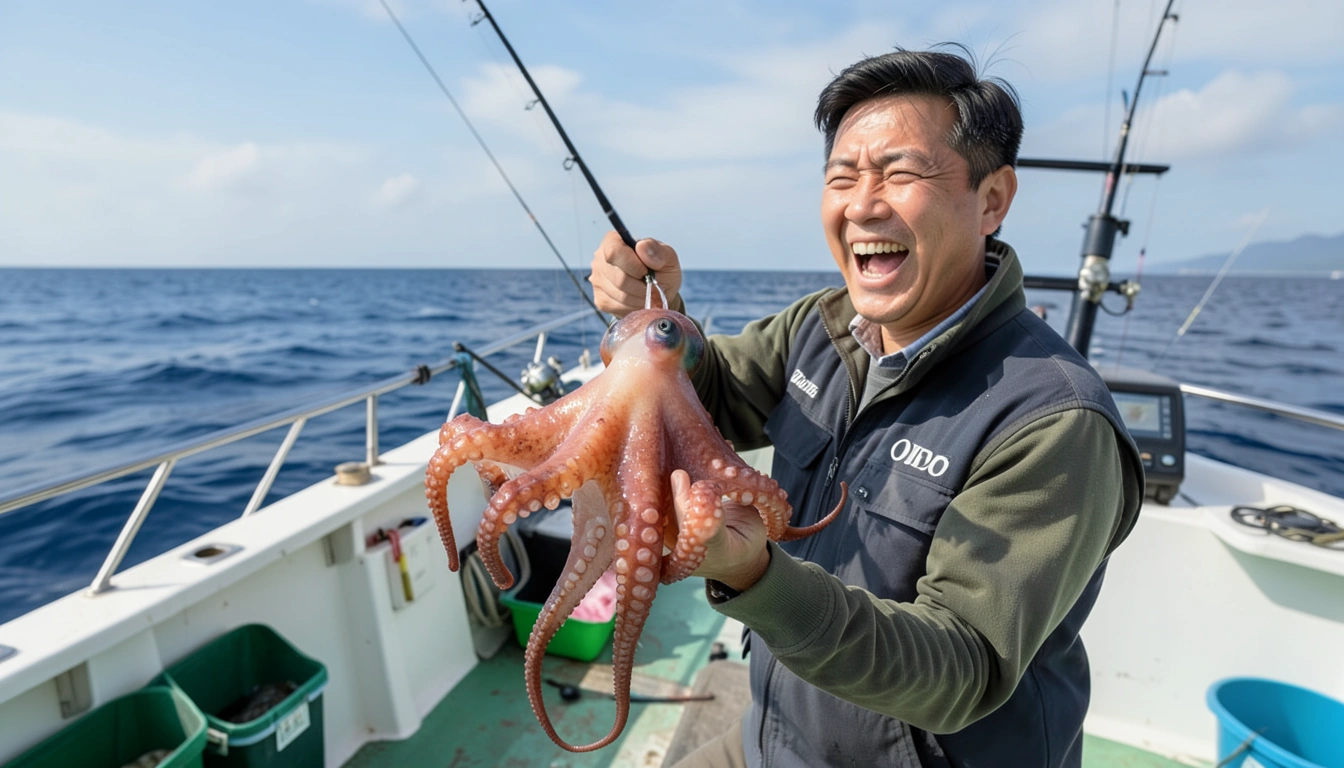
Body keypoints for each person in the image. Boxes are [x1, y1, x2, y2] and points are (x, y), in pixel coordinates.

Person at [590, 47, 1143, 768]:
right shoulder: (817, 329)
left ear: (992, 200)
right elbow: (712, 395)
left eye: (900, 174)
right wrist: (660, 326)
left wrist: (757, 579)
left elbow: (960, 669)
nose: (861, 205)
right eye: (841, 177)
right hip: (775, 739)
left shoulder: (1054, 421)